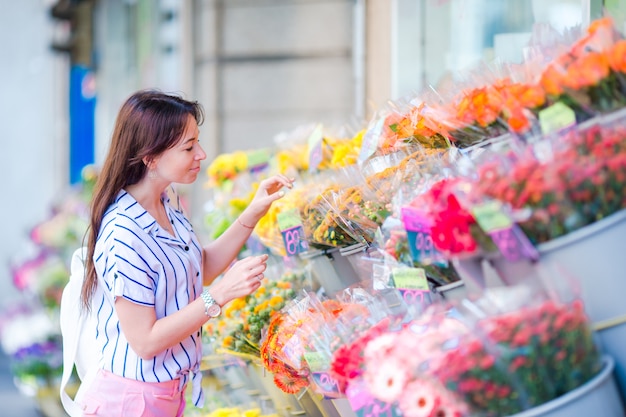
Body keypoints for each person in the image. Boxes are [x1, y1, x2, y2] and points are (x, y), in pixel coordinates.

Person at [79, 89, 294, 416]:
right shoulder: (123, 234)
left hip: (166, 396)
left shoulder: (166, 201)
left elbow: (197, 268)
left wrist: (252, 212)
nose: (202, 154)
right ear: (150, 157)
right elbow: (145, 341)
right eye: (189, 147)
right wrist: (219, 295)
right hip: (131, 402)